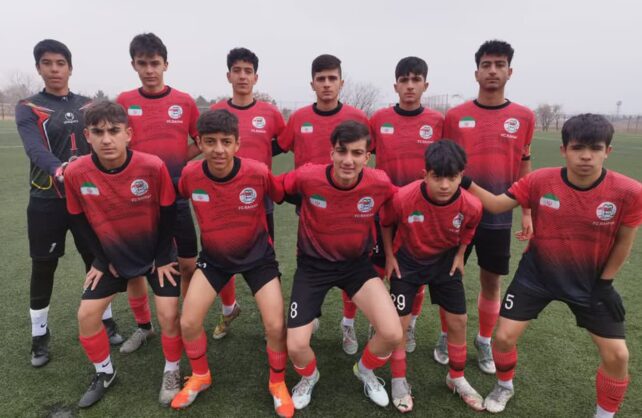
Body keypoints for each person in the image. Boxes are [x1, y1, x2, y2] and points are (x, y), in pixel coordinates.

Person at [461, 114, 641, 416]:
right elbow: (496, 204)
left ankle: (605, 414)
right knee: (503, 338)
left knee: (618, 355)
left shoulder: (629, 192)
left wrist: (606, 283)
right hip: (537, 276)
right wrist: (464, 179)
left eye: (595, 148)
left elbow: (624, 242)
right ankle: (504, 386)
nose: (586, 156)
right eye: (577, 148)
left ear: (607, 151)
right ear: (564, 150)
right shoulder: (540, 180)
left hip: (592, 283)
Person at [170, 109, 293, 418]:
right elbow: (169, 197)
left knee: (276, 325)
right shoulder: (190, 175)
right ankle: (201, 375)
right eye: (210, 142)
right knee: (188, 322)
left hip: (258, 259)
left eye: (226, 142)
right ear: (199, 143)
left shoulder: (258, 172)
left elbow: (283, 194)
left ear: (238, 144)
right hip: (214, 260)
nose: (219, 150)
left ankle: (277, 382)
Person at [64, 101, 182, 408]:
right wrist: (101, 260)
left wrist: (161, 256)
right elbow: (77, 220)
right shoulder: (76, 172)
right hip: (112, 255)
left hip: (156, 252)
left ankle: (172, 369)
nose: (106, 139)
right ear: (87, 136)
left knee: (169, 313)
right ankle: (105, 373)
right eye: (98, 132)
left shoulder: (152, 166)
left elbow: (169, 212)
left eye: (114, 131)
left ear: (128, 134)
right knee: (87, 315)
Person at [16, 39, 122, 368]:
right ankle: (39, 335)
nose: (54, 69)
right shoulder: (28, 106)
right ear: (38, 68)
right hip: (46, 199)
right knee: (44, 265)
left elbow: (106, 141)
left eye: (60, 63)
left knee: (97, 260)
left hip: (88, 199)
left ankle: (105, 319)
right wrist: (60, 169)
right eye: (47, 63)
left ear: (70, 68)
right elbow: (34, 148)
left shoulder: (89, 105)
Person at [283, 120, 402, 410]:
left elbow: (406, 200)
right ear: (331, 153)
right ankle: (309, 377)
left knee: (392, 333)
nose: (348, 160)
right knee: (296, 345)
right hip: (313, 267)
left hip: (356, 267)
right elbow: (273, 188)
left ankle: (365, 370)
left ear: (367, 156)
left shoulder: (379, 182)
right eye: (342, 151)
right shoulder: (307, 177)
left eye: (357, 153)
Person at [438, 40, 536, 372]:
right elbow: (446, 164)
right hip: (456, 212)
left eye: (499, 64)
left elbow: (524, 165)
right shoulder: (455, 116)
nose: (492, 70)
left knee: (491, 280)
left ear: (510, 71)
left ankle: (483, 340)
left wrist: (526, 211)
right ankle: (446, 335)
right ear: (476, 72)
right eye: (486, 65)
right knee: (449, 276)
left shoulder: (524, 116)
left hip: (499, 215)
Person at [275, 53, 370, 355]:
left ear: (341, 82)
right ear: (312, 84)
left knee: (350, 259)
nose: (327, 84)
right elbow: (276, 146)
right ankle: (310, 313)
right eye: (321, 79)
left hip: (349, 203)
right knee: (309, 256)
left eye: (332, 78)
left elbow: (367, 155)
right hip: (311, 202)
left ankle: (348, 322)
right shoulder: (299, 118)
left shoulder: (358, 117)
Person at [381, 140, 484, 412]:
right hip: (407, 262)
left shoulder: (472, 205)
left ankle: (456, 377)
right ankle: (399, 380)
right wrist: (390, 256)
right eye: (437, 177)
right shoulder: (403, 198)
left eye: (452, 177)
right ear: (425, 174)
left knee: (459, 321)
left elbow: (470, 229)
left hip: (444, 263)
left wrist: (460, 254)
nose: (445, 185)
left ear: (462, 176)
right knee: (399, 324)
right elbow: (386, 222)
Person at [116, 33, 200, 353]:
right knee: (136, 268)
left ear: (166, 64)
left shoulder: (184, 101)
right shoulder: (124, 101)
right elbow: (117, 143)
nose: (149, 70)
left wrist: (177, 160)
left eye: (155, 63)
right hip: (136, 199)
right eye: (143, 64)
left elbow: (201, 140)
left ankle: (188, 321)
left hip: (176, 195)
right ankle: (144, 327)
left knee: (188, 263)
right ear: (133, 65)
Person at [209, 47, 286, 340]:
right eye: (237, 70)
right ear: (228, 75)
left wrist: (261, 158)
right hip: (222, 196)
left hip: (260, 197)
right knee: (221, 253)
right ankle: (229, 309)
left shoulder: (270, 112)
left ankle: (272, 320)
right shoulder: (217, 111)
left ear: (256, 77)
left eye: (248, 71)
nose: (243, 76)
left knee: (266, 257)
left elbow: (283, 143)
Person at [369, 56, 444, 353]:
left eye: (416, 80)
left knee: (417, 274)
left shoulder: (437, 122)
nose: (410, 86)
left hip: (422, 213)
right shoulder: (379, 119)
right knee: (377, 270)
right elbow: (362, 154)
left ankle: (409, 324)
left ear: (426, 85)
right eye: (404, 80)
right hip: (384, 209)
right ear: (395, 86)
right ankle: (379, 323)